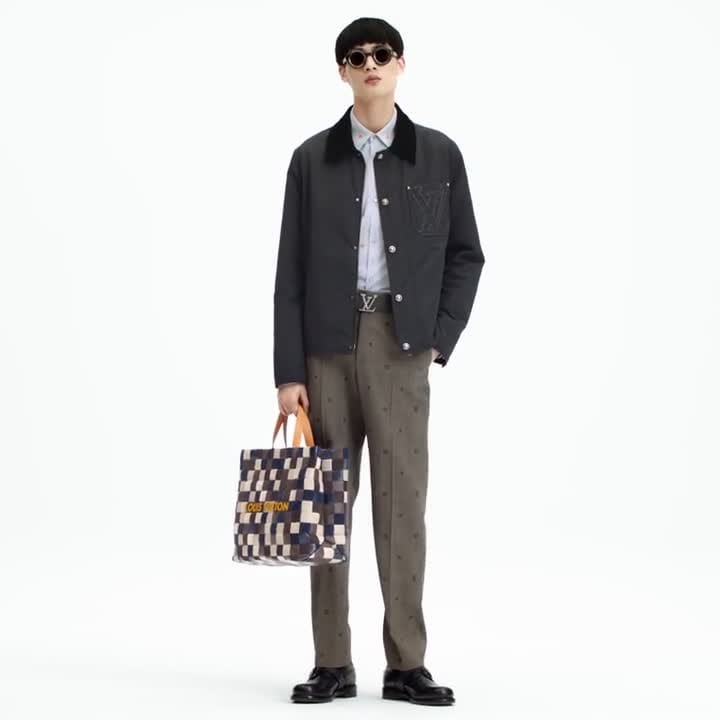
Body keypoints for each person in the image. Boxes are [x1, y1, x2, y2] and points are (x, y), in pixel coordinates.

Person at [273, 16, 484, 705]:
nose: (370, 64)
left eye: (382, 54)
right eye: (357, 56)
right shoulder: (311, 159)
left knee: (403, 508)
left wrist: (438, 338)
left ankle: (406, 665)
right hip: (325, 350)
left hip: (402, 348)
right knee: (325, 504)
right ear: (342, 71)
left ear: (400, 64)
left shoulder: (438, 155)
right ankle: (331, 663)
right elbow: (289, 271)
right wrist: (289, 372)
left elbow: (466, 254)